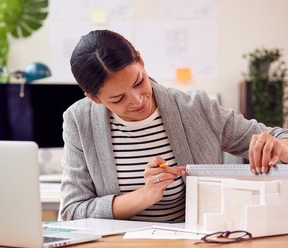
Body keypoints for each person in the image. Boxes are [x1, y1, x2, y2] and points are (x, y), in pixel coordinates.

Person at [60, 29, 288, 222]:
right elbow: (72, 211)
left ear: (141, 60)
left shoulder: (196, 108)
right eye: (118, 99)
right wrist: (145, 196)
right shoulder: (80, 121)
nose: (138, 100)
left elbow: (280, 136)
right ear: (95, 99)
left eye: (139, 82)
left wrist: (278, 146)